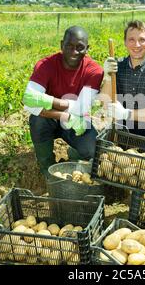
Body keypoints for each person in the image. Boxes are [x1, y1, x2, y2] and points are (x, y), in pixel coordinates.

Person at [22, 26, 104, 176]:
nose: (74, 52)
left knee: (92, 150)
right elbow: (29, 104)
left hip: (77, 120)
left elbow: (81, 109)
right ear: (61, 45)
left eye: (80, 48)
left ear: (87, 48)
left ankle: (74, 154)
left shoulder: (94, 71)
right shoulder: (45, 65)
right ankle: (47, 167)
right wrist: (63, 114)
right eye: (69, 46)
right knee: (38, 121)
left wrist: (46, 100)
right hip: (49, 118)